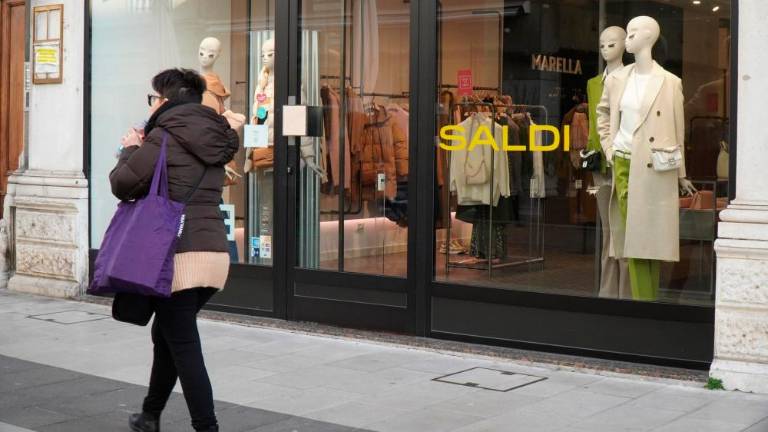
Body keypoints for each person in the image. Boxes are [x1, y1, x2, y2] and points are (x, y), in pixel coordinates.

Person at [110, 68, 238, 432]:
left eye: (153, 98)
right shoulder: (217, 137)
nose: (151, 104)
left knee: (183, 345)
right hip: (213, 254)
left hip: (178, 257)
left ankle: (206, 427)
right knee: (167, 334)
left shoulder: (163, 136)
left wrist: (130, 149)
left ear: (166, 101)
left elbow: (122, 184)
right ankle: (149, 415)